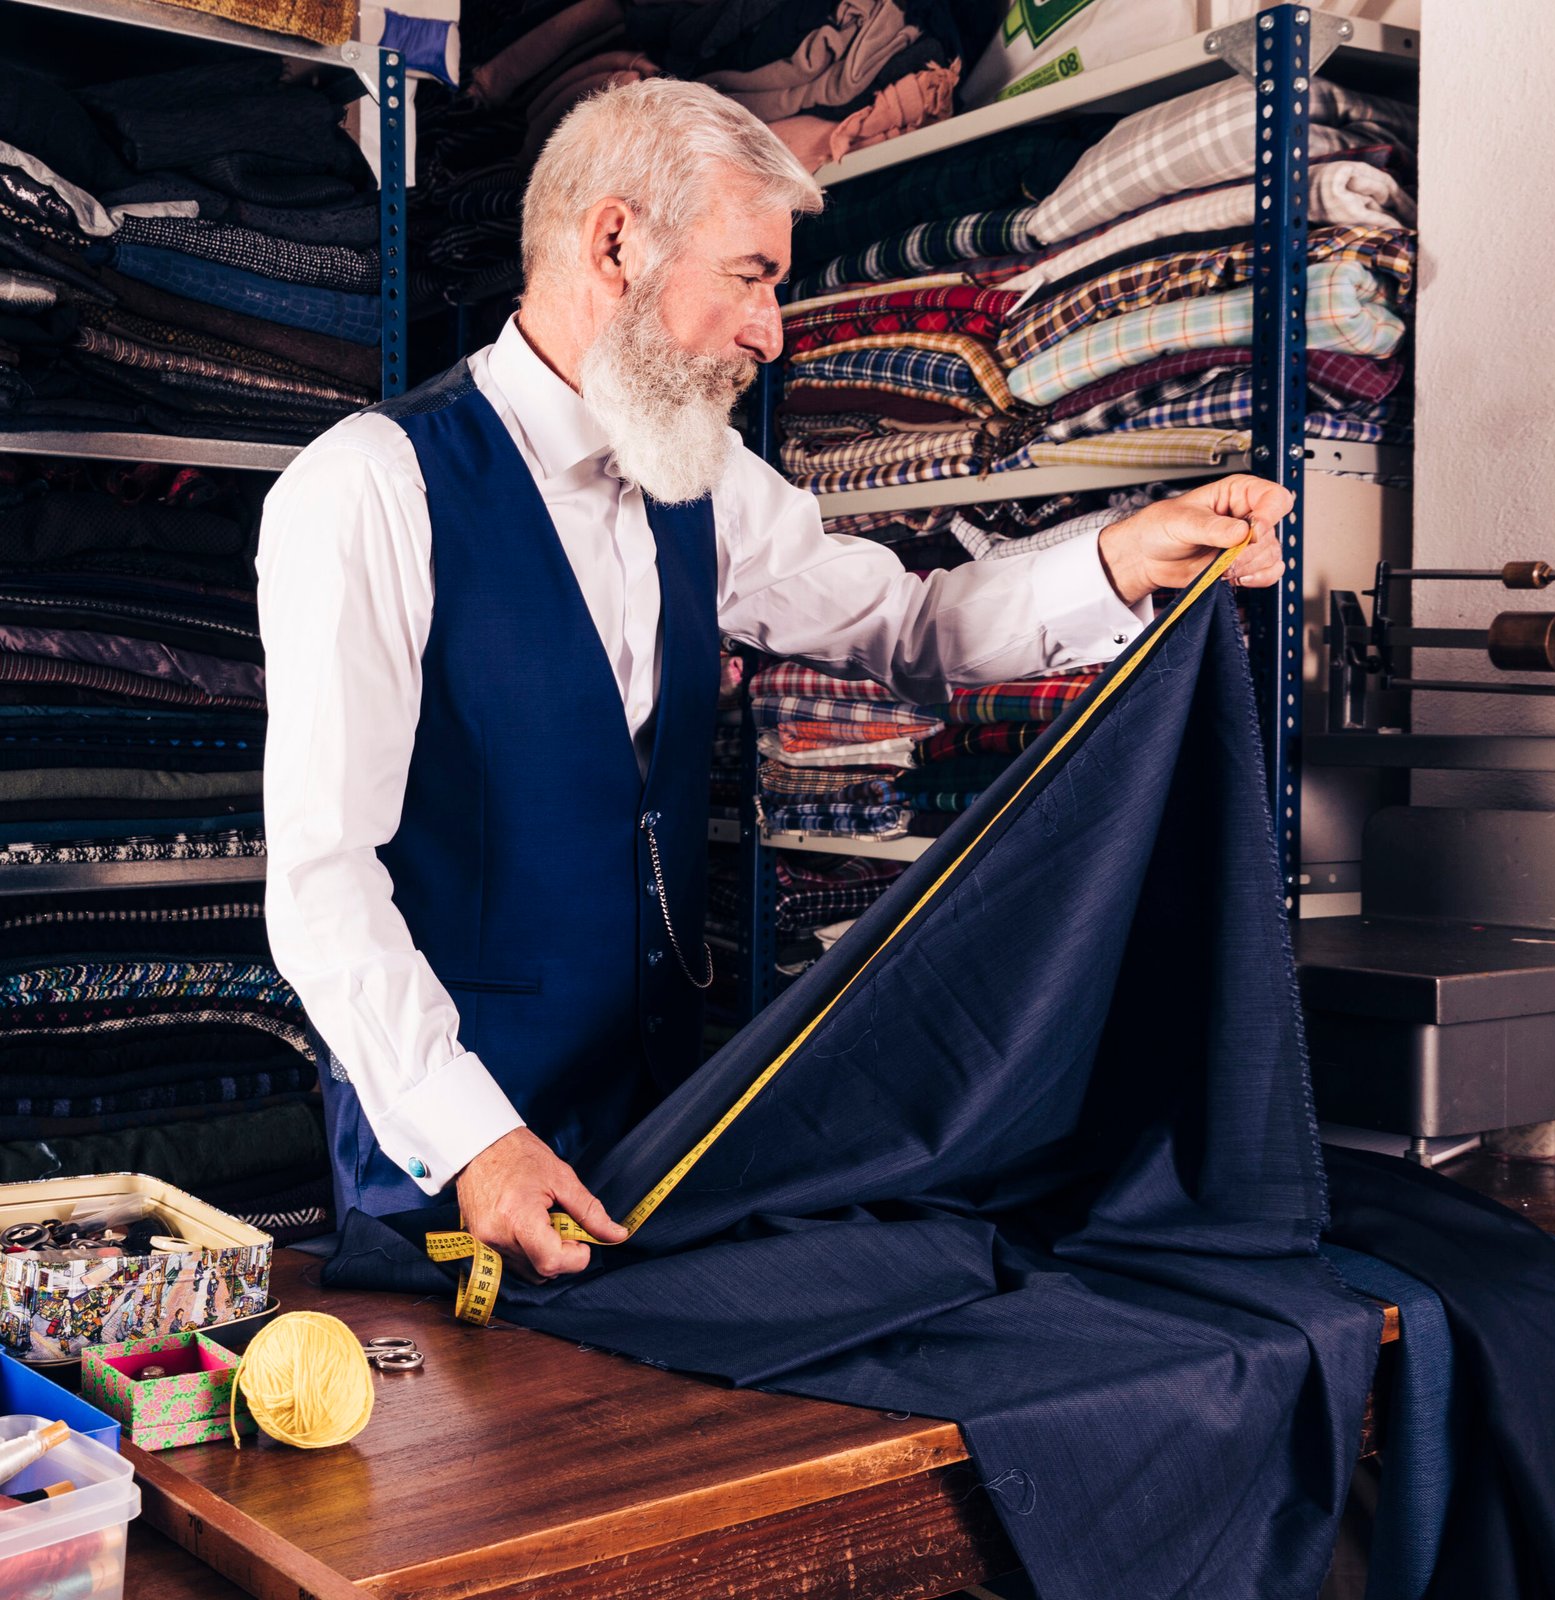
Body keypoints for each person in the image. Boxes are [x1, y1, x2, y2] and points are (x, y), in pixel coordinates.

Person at [257, 78, 1290, 1283]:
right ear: (614, 241)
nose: (773, 331)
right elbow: (324, 882)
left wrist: (1116, 560)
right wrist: (478, 1138)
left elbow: (908, 629)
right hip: (449, 1170)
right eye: (750, 275)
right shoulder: (372, 488)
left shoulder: (706, 481)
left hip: (653, 1144)